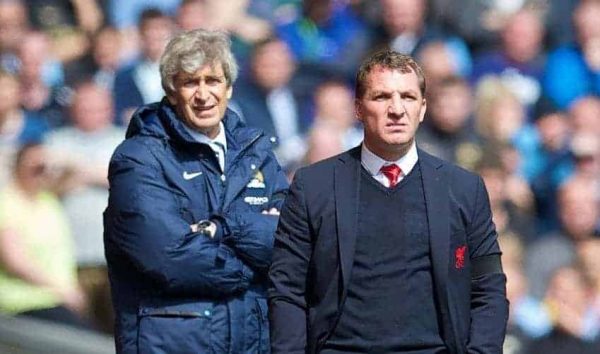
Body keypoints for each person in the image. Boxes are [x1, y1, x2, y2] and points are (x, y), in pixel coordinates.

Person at [269, 50, 508, 354]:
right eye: (382, 97)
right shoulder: (312, 187)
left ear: (422, 108)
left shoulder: (463, 188)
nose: (397, 109)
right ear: (358, 108)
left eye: (408, 97)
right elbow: (287, 290)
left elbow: (489, 289)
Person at [104, 29, 288, 353]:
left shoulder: (256, 151)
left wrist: (218, 230)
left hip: (253, 342)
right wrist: (253, 262)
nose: (204, 95)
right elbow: (170, 259)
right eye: (191, 82)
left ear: (229, 88)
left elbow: (292, 241)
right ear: (172, 91)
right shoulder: (138, 159)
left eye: (213, 81)